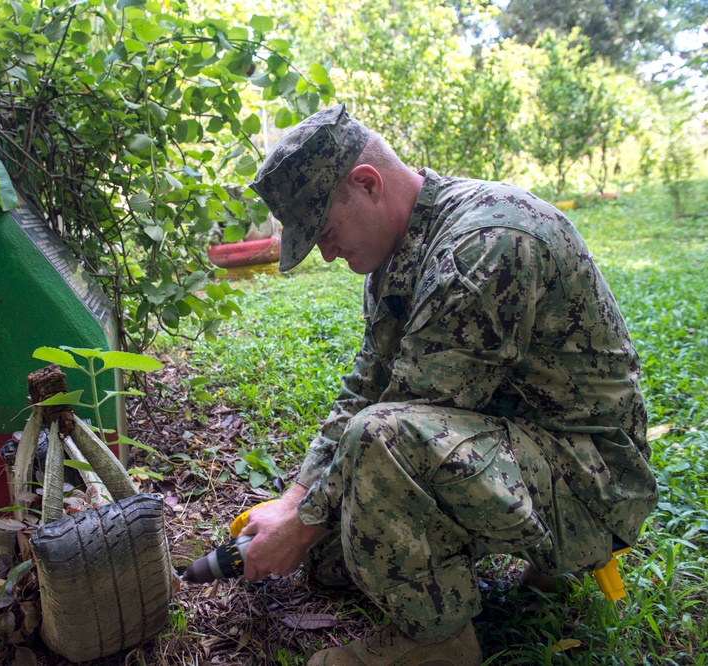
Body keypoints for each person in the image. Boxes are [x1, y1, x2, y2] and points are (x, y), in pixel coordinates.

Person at [239, 104, 658, 666]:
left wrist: (304, 520)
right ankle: (513, 564)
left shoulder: (484, 246)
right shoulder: (400, 251)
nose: (327, 252)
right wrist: (296, 504)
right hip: (517, 443)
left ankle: (438, 642)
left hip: (591, 480)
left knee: (379, 442)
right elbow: (365, 386)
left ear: (367, 184)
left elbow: (403, 421)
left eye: (326, 232)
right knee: (331, 560)